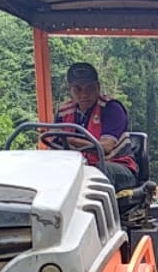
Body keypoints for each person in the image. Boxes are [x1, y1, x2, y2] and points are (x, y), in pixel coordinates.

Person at [55, 62, 138, 193]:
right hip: (80, 167)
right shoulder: (64, 112)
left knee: (95, 172)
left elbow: (105, 147)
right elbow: (54, 144)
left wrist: (70, 140)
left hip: (119, 166)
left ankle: (91, 212)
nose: (84, 94)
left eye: (89, 88)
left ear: (98, 88)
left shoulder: (112, 109)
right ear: (70, 90)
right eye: (78, 89)